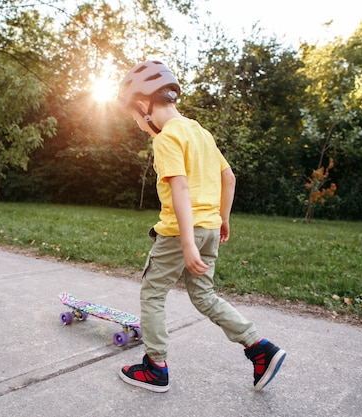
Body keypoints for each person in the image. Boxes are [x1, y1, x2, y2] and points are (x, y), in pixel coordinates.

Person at [116, 60, 286, 393]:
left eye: (135, 117)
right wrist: (223, 218)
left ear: (143, 104)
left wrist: (188, 243)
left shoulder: (166, 138)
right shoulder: (199, 132)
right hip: (209, 228)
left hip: (182, 231)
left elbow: (179, 187)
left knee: (152, 293)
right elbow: (229, 178)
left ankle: (155, 367)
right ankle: (259, 348)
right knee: (205, 296)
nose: (137, 124)